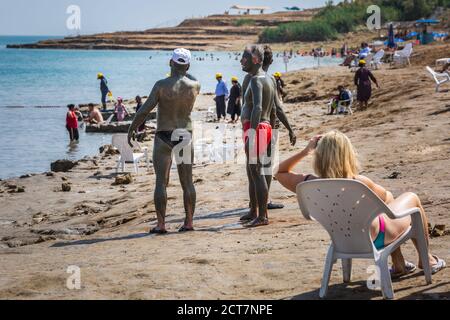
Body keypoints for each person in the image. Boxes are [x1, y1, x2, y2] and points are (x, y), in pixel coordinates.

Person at [275, 131, 446, 277]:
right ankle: (427, 260)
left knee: (385, 204)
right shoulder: (359, 182)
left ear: (318, 157)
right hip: (375, 240)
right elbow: (386, 198)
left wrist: (305, 151)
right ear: (347, 155)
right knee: (410, 197)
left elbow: (279, 172)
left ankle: (399, 263)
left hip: (341, 241)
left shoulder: (308, 184)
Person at [128, 48, 200, 234]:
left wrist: (131, 128)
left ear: (170, 63)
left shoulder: (161, 85)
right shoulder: (195, 86)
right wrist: (184, 71)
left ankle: (161, 225)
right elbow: (189, 75)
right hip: (185, 134)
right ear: (188, 65)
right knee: (188, 182)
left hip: (164, 135)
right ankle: (189, 222)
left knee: (161, 182)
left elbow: (144, 110)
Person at [239, 45, 276, 227]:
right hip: (265, 126)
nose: (241, 61)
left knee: (257, 171)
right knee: (256, 171)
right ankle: (256, 211)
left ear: (254, 60)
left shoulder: (255, 80)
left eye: (244, 58)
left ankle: (262, 216)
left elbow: (258, 107)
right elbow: (274, 109)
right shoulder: (268, 79)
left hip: (258, 127)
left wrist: (252, 134)